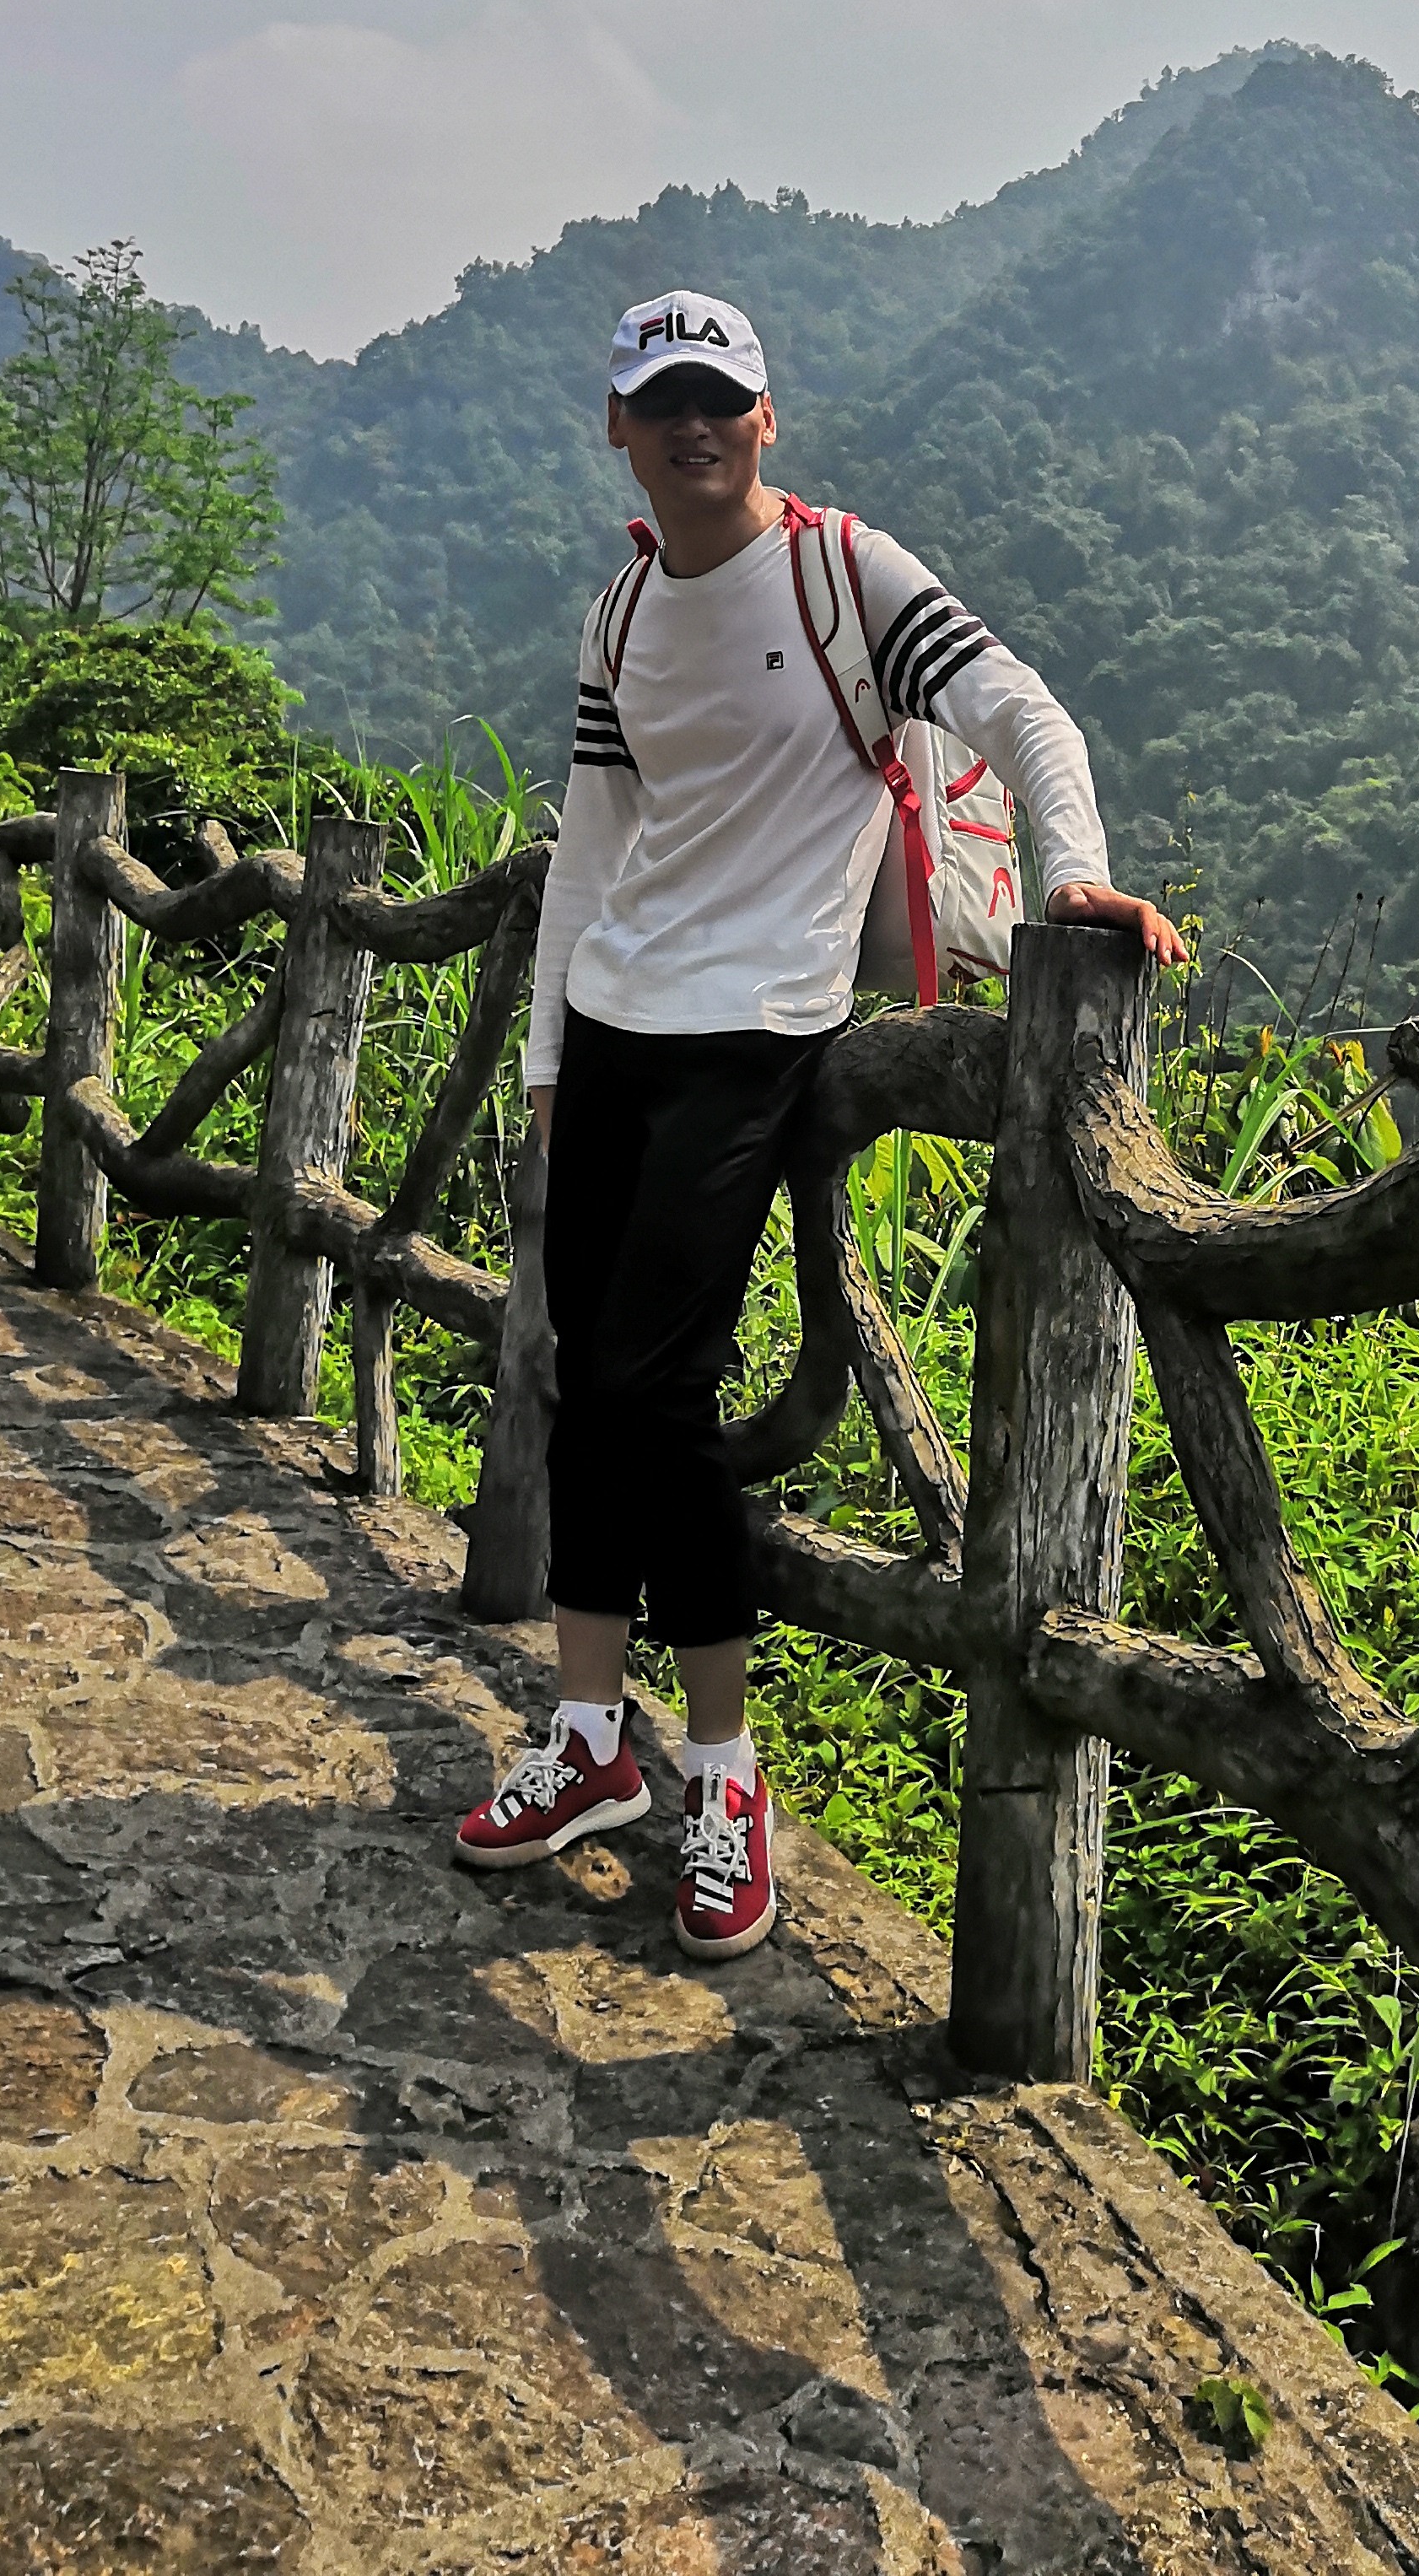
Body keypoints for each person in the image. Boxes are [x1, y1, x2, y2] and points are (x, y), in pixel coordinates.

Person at [454, 287, 1184, 1957]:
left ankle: (721, 1775)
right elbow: (591, 845)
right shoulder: (625, 610)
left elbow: (1024, 714)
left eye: (721, 398)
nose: (693, 425)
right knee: (584, 1384)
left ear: (765, 418)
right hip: (615, 1025)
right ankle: (589, 1736)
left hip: (756, 1032)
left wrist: (1072, 874)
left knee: (658, 1394)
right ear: (619, 428)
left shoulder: (846, 577)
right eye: (662, 401)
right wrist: (550, 1063)